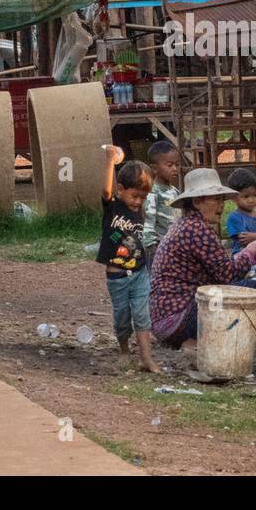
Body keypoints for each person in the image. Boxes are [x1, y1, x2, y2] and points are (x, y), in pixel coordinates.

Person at [149, 168, 256, 348]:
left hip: (166, 319)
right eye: (216, 199)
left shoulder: (186, 225)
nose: (221, 206)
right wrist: (252, 249)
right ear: (198, 201)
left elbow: (219, 270)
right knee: (251, 289)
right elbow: (228, 276)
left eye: (222, 199)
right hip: (179, 319)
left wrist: (245, 253)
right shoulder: (197, 229)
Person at [98, 145, 159, 373]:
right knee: (122, 318)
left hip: (140, 272)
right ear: (121, 189)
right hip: (118, 276)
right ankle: (124, 350)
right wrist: (110, 162)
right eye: (134, 196)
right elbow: (105, 191)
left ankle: (146, 357)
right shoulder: (113, 207)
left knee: (143, 315)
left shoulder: (140, 211)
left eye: (143, 197)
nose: (138, 202)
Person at [143, 140, 181, 264]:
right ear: (154, 168)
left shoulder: (175, 191)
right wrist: (152, 250)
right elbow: (148, 224)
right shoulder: (153, 193)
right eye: (169, 165)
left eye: (177, 164)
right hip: (159, 249)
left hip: (175, 248)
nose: (175, 169)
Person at [225, 167, 256, 255]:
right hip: (242, 259)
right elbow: (245, 239)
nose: (251, 200)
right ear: (233, 198)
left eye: (254, 195)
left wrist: (255, 236)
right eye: (246, 196)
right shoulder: (234, 218)